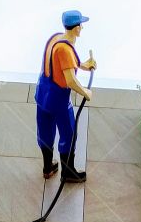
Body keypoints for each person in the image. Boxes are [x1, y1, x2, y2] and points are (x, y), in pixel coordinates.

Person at [35, 10, 97, 182]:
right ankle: (68, 173)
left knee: (45, 132)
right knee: (68, 134)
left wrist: (84, 65)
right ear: (76, 28)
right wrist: (85, 92)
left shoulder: (55, 38)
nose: (82, 27)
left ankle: (48, 168)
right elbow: (70, 80)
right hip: (58, 100)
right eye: (81, 25)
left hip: (42, 95)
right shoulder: (65, 49)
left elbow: (62, 63)